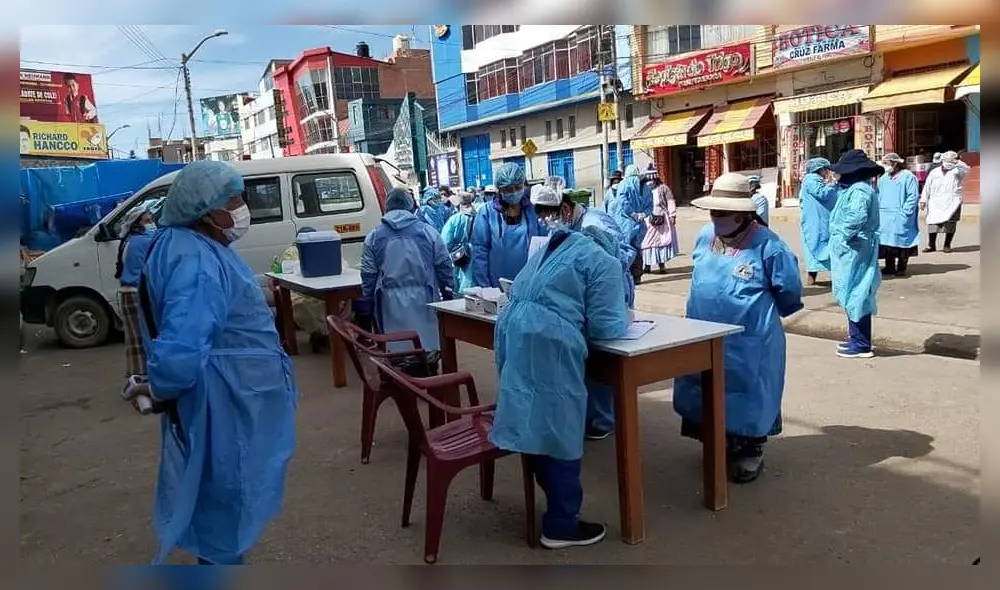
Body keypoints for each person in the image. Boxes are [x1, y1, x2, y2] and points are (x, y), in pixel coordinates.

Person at [130, 160, 297, 565]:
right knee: (225, 490)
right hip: (224, 395)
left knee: (223, 489)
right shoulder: (197, 259)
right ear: (206, 210)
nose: (242, 208)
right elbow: (184, 342)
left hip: (231, 389)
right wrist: (160, 384)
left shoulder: (199, 247)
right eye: (234, 200)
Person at [490, 223, 629, 549]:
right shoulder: (603, 261)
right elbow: (606, 327)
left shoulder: (554, 248)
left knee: (535, 419)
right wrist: (626, 319)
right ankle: (561, 523)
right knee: (559, 426)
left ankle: (554, 502)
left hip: (515, 329)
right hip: (548, 341)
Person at [672, 172, 804, 483]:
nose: (716, 218)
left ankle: (749, 451)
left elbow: (789, 291)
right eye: (713, 212)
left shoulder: (769, 246)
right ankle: (716, 443)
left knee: (748, 393)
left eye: (723, 213)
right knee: (703, 388)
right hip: (701, 331)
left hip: (749, 338)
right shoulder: (706, 235)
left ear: (743, 213)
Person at [359, 187, 454, 352]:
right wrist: (447, 293)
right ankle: (429, 368)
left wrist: (368, 299)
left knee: (395, 346)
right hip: (426, 298)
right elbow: (444, 265)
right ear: (411, 207)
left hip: (388, 302)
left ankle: (397, 371)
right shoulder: (428, 232)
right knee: (427, 343)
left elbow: (368, 274)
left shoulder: (374, 237)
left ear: (386, 207)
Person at [828, 149, 883, 359]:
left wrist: (844, 236)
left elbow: (856, 217)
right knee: (854, 293)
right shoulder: (857, 189)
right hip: (853, 249)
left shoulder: (860, 191)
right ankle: (857, 339)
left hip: (856, 249)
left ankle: (861, 344)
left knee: (857, 294)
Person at [470, 162, 547, 288]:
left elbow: (544, 245)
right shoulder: (487, 213)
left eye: (517, 187)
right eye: (508, 189)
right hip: (496, 287)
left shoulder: (533, 211)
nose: (514, 192)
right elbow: (479, 252)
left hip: (529, 284)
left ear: (523, 185)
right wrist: (484, 287)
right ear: (499, 190)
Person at [279, 227, 353, 353]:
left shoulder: (324, 248)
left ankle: (330, 333)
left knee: (343, 298)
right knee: (302, 304)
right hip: (301, 292)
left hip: (326, 289)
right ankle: (320, 333)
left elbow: (343, 265)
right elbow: (291, 269)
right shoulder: (292, 252)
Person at [116, 204, 157, 382]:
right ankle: (141, 376)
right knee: (144, 337)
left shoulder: (128, 240)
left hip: (127, 293)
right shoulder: (145, 241)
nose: (152, 223)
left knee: (133, 338)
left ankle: (135, 373)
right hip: (137, 293)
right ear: (138, 222)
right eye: (148, 220)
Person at [877, 153, 920, 276]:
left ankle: (901, 267)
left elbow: (913, 196)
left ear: (895, 163)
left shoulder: (908, 176)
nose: (885, 166)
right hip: (885, 215)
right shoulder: (884, 178)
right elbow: (879, 194)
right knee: (887, 241)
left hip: (901, 214)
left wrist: (906, 212)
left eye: (887, 163)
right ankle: (889, 266)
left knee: (902, 241)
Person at [798, 158, 839, 285]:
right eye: (826, 169)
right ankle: (812, 276)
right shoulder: (811, 180)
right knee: (815, 245)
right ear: (820, 169)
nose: (828, 172)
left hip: (820, 220)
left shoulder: (815, 180)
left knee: (822, 245)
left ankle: (814, 276)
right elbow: (822, 193)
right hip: (815, 222)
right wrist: (834, 184)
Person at [920, 150, 969, 253]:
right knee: (933, 223)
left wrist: (957, 161)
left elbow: (966, 168)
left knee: (950, 224)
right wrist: (923, 200)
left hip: (952, 201)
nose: (948, 164)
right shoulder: (934, 172)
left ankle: (947, 245)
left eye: (951, 162)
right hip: (935, 201)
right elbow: (927, 186)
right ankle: (931, 245)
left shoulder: (957, 171)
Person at [610, 164, 648, 285]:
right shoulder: (644, 187)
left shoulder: (623, 186)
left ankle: (629, 274)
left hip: (624, 224)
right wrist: (643, 214)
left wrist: (632, 214)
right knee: (636, 249)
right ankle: (636, 275)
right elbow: (649, 204)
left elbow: (623, 203)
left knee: (626, 249)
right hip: (638, 224)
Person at [439, 190, 478, 295]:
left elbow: (445, 243)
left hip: (460, 256)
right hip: (478, 257)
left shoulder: (454, 219)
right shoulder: (479, 217)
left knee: (462, 289)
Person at [639, 174, 679, 274]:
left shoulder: (664, 188)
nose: (650, 182)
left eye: (652, 180)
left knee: (661, 242)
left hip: (662, 220)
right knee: (646, 242)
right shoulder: (643, 190)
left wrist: (672, 215)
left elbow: (670, 201)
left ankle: (662, 265)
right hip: (648, 220)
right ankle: (647, 266)